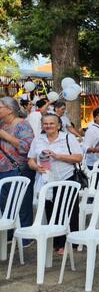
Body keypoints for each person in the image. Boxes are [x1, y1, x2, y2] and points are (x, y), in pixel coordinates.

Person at [27, 113, 84, 254]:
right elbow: (30, 160)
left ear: (59, 125)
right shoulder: (38, 140)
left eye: (51, 123)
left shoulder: (68, 138)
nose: (48, 126)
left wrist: (58, 156)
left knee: (69, 211)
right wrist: (36, 167)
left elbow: (78, 157)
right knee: (51, 210)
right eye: (45, 124)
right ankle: (57, 243)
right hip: (47, 180)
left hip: (67, 178)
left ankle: (71, 242)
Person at [0, 97, 35, 240]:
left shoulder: (22, 125)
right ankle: (9, 234)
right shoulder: (1, 125)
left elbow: (27, 147)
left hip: (18, 169)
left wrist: (5, 136)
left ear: (9, 110)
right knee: (5, 204)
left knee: (21, 203)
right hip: (2, 170)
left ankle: (25, 237)